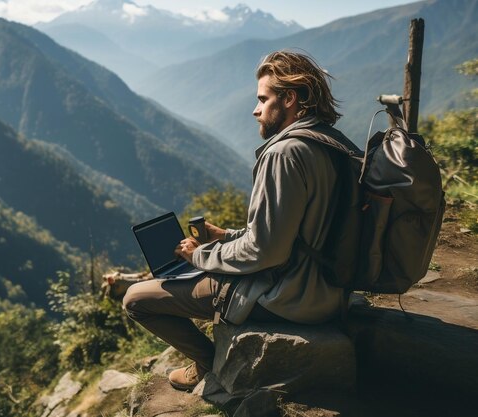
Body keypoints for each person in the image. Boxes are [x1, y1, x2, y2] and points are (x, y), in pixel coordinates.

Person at [123, 50, 346, 391]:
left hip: (288, 295)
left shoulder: (284, 154)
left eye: (263, 99)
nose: (256, 110)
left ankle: (208, 363)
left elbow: (265, 251)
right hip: (328, 288)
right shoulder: (331, 143)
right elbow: (295, 230)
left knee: (136, 300)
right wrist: (226, 235)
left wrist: (200, 256)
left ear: (289, 98)